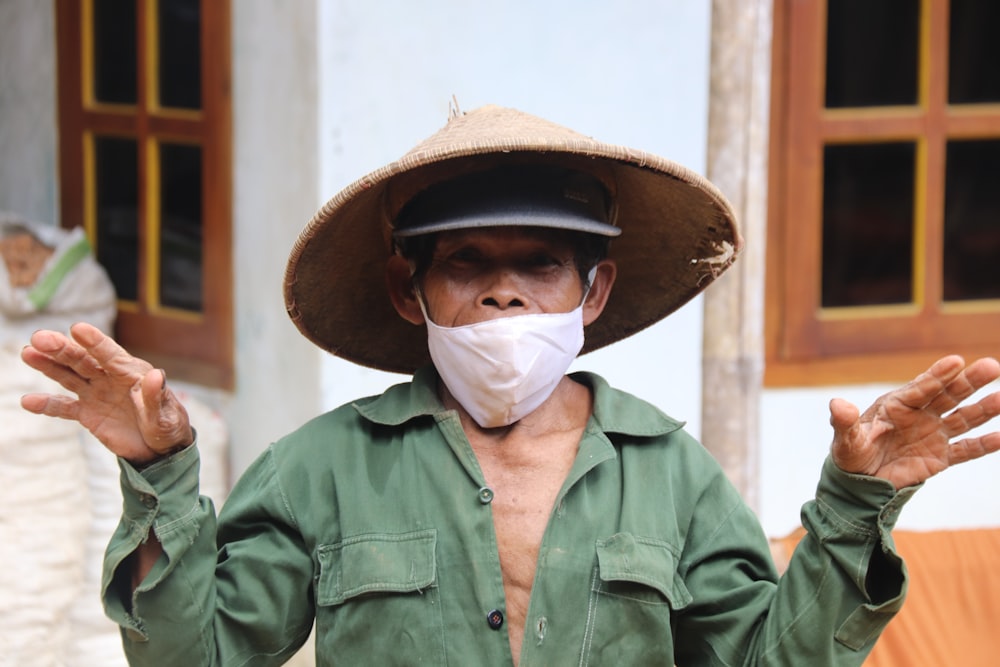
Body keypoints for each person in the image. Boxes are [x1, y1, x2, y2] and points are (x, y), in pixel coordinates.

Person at [19, 105, 1000, 666]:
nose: (502, 290)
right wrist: (159, 473)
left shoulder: (669, 474)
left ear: (592, 289)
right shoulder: (323, 468)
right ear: (409, 290)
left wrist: (856, 503)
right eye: (464, 264)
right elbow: (195, 658)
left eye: (538, 263)